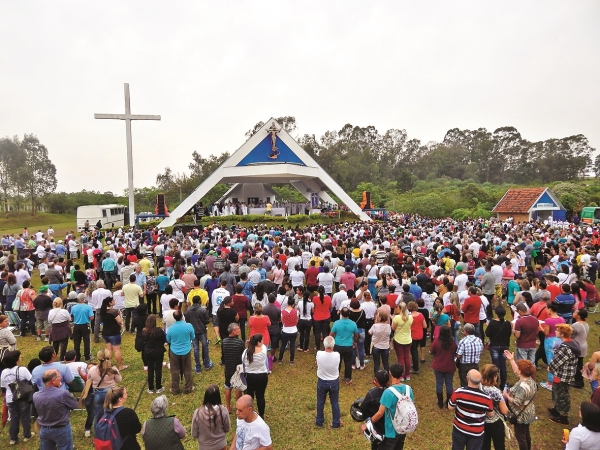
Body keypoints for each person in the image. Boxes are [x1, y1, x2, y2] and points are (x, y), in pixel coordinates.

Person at [370, 363, 415, 450]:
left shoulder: (388, 392)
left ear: (390, 373)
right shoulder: (408, 389)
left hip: (391, 430)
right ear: (402, 374)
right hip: (403, 428)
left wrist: (368, 423)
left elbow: (380, 413)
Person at [33, 369, 79, 450]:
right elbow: (74, 405)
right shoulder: (62, 393)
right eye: (59, 377)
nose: (61, 378)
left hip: (44, 429)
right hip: (61, 429)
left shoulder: (36, 395)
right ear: (53, 381)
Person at [448, 369, 494, 450]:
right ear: (480, 381)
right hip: (476, 433)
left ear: (467, 378)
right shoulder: (487, 398)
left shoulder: (459, 392)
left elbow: (450, 407)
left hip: (459, 429)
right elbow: (491, 414)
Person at [547, 323, 581, 425]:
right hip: (567, 373)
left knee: (562, 395)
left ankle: (563, 417)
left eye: (557, 331)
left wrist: (550, 368)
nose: (555, 332)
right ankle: (557, 409)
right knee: (558, 392)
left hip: (562, 375)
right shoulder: (572, 343)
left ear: (562, 334)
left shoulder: (565, 348)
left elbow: (557, 361)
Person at [502, 352, 537, 450]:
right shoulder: (531, 380)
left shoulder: (522, 387)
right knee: (526, 433)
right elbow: (517, 372)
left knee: (520, 437)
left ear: (521, 371)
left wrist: (506, 396)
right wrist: (512, 360)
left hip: (521, 415)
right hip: (529, 411)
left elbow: (517, 402)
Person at [0, 350, 34, 445]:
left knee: (14, 418)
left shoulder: (4, 372)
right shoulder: (22, 369)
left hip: (10, 398)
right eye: (20, 357)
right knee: (25, 416)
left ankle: (13, 438)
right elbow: (32, 381)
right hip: (22, 397)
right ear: (16, 360)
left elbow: (3, 387)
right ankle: (27, 435)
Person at [102, 386, 142, 450]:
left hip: (109, 446)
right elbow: (137, 429)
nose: (127, 395)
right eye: (125, 394)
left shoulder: (102, 413)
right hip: (127, 446)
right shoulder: (128, 413)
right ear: (120, 399)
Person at [192, 384, 231, 450]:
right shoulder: (223, 411)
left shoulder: (197, 413)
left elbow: (194, 434)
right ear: (218, 396)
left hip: (204, 447)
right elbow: (227, 428)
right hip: (221, 446)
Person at [88, 348, 122, 424]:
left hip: (98, 393)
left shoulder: (92, 369)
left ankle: (99, 433)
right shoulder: (113, 369)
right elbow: (119, 380)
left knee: (98, 415)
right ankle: (111, 430)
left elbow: (88, 380)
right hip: (111, 393)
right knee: (112, 414)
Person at [359, 369, 390, 450]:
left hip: (376, 426)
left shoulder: (372, 393)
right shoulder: (391, 391)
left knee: (376, 446)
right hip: (390, 425)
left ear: (376, 380)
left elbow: (363, 409)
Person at [480, 364, 509, 450]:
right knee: (499, 445)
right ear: (495, 376)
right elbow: (504, 411)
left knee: (484, 445)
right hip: (495, 422)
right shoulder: (495, 391)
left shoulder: (478, 387)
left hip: (481, 421)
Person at [166, 310, 195, 395]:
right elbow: (193, 336)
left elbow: (168, 340)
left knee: (175, 370)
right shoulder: (189, 326)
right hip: (186, 350)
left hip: (174, 351)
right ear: (182, 316)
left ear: (174, 318)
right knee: (187, 370)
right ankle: (188, 387)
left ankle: (175, 389)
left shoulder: (171, 328)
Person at [315, 335, 341, 428]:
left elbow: (317, 362)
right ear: (333, 345)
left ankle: (319, 422)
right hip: (334, 381)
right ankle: (336, 423)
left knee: (320, 402)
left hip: (322, 381)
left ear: (324, 344)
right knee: (334, 402)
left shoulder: (319, 354)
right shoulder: (337, 355)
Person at [430, 325, 457, 409]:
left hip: (438, 366)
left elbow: (431, 351)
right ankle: (449, 402)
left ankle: (440, 403)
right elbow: (455, 350)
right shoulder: (452, 342)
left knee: (439, 383)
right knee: (449, 383)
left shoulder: (436, 342)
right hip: (449, 366)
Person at [185, 294, 213, 373]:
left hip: (193, 332)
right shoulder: (203, 310)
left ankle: (198, 367)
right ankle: (207, 364)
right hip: (202, 331)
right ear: (199, 301)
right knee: (205, 347)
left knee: (196, 349)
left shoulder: (188, 311)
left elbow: (187, 321)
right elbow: (207, 321)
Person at [485, 306, 511, 388]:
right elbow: (509, 334)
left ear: (496, 313)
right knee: (503, 364)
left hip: (495, 346)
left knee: (495, 366)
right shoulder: (507, 323)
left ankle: (495, 381)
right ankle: (503, 383)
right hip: (504, 346)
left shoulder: (492, 323)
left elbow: (487, 333)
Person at [330, 307, 358, 385]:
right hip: (348, 346)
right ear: (349, 314)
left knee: (337, 362)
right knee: (348, 363)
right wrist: (355, 342)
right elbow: (356, 335)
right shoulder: (353, 323)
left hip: (338, 345)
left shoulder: (336, 323)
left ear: (341, 314)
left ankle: (336, 377)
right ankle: (347, 379)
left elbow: (331, 334)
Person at [243, 334, 269, 418]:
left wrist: (249, 345)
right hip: (262, 376)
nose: (263, 342)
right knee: (260, 396)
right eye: (262, 340)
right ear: (258, 342)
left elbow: (243, 361)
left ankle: (250, 414)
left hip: (250, 377)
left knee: (249, 396)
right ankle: (261, 415)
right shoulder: (264, 349)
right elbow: (264, 346)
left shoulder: (246, 352)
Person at [222, 323, 245, 413]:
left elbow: (223, 356)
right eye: (238, 329)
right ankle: (237, 406)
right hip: (238, 369)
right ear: (233, 331)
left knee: (228, 387)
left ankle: (228, 407)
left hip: (228, 368)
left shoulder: (224, 341)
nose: (239, 330)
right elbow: (243, 356)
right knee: (238, 388)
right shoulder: (240, 342)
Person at [100, 296, 127, 370]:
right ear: (110, 303)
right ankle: (120, 366)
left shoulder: (103, 311)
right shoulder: (113, 312)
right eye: (113, 301)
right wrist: (120, 326)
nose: (114, 301)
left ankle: (107, 365)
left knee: (109, 350)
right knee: (117, 350)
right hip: (114, 333)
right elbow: (119, 321)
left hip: (105, 332)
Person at [142, 314, 166, 394]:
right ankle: (159, 387)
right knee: (158, 369)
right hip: (158, 352)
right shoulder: (159, 331)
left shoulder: (144, 331)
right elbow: (164, 339)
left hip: (148, 352)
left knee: (150, 369)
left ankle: (150, 388)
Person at [455, 323, 484, 387]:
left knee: (464, 383)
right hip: (475, 365)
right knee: (474, 383)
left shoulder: (463, 341)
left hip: (465, 366)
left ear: (465, 331)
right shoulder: (479, 340)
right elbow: (481, 349)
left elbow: (458, 355)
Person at [391, 302, 413, 381]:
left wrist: (392, 319)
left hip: (398, 339)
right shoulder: (410, 317)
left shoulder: (397, 317)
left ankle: (400, 375)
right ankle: (407, 375)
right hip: (408, 339)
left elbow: (393, 328)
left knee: (400, 358)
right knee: (407, 357)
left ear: (399, 308)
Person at [71, 292, 94, 361]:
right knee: (86, 341)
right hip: (85, 325)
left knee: (76, 342)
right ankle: (87, 356)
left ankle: (77, 356)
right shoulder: (88, 307)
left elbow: (72, 317)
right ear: (84, 299)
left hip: (76, 325)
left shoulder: (73, 307)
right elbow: (92, 317)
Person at [370, 308, 392, 375]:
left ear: (379, 318)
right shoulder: (388, 326)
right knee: (385, 362)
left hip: (376, 346)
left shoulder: (375, 326)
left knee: (377, 363)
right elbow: (389, 334)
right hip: (385, 346)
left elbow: (369, 332)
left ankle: (377, 376)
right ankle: (386, 375)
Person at [278, 296, 299, 364]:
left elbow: (282, 321)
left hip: (285, 331)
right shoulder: (296, 311)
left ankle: (280, 359)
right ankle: (291, 360)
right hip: (293, 330)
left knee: (283, 345)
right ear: (293, 304)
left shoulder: (283, 311)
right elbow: (297, 320)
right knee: (292, 345)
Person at [313, 286, 332, 351]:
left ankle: (317, 347)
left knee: (317, 333)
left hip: (317, 318)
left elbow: (313, 306)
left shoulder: (315, 298)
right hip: (326, 317)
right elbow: (330, 306)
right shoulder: (328, 298)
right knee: (325, 333)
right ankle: (325, 347)